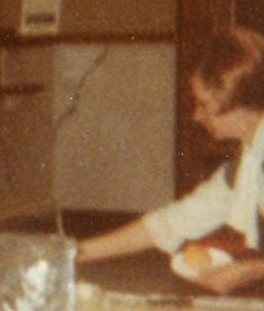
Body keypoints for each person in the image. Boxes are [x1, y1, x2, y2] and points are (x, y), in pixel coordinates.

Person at [78, 26, 264, 294]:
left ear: (240, 101)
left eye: (204, 105)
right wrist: (76, 253)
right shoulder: (249, 159)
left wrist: (251, 270)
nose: (196, 117)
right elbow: (172, 222)